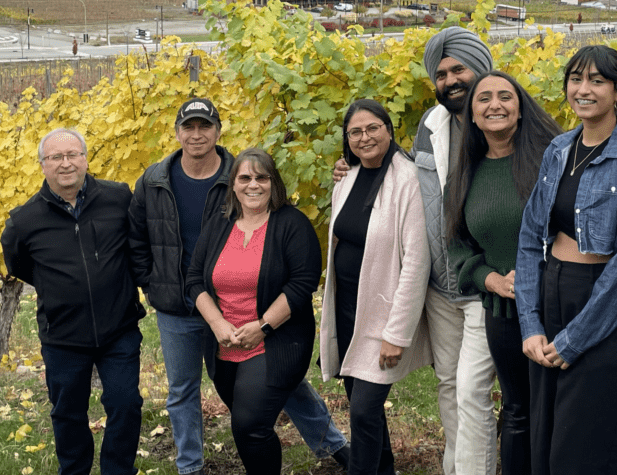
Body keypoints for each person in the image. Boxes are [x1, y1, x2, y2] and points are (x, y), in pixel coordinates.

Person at [129, 98, 349, 475]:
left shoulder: (239, 174)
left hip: (250, 308)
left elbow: (291, 257)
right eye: (189, 127)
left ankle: (333, 445)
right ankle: (190, 467)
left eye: (204, 126)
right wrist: (154, 284)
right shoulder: (154, 179)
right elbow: (136, 238)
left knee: (282, 388)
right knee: (183, 391)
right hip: (182, 305)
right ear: (178, 132)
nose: (196, 134)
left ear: (218, 130)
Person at [335, 27, 498, 475]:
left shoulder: (504, 121)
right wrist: (356, 166)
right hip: (443, 287)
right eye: (441, 73)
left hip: (488, 283)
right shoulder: (431, 125)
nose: (449, 80)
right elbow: (413, 176)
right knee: (449, 387)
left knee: (471, 390)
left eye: (458, 69)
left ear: (480, 67)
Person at [516, 45, 617, 475]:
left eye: (597, 81)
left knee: (583, 447)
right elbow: (529, 238)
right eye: (576, 79)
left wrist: (576, 338)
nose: (584, 90)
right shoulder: (559, 150)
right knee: (545, 438)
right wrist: (531, 323)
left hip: (601, 307)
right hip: (551, 292)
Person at [2, 127, 144, 475]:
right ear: (43, 165)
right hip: (63, 335)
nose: (65, 164)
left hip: (119, 329)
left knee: (126, 405)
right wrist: (61, 289)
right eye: (55, 157)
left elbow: (135, 246)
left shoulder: (118, 198)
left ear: (84, 158)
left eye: (72, 155)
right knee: (68, 414)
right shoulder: (24, 220)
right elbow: (19, 264)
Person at [446, 72, 561, 475]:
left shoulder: (552, 158)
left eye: (505, 96)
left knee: (557, 410)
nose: (495, 105)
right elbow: (459, 248)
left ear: (520, 106)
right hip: (503, 311)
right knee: (517, 411)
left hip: (558, 304)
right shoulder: (464, 175)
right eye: (484, 99)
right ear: (472, 115)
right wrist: (491, 279)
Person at [185, 147, 321, 475]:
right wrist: (217, 324)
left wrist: (262, 325)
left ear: (274, 183)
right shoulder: (220, 223)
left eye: (262, 177)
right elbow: (193, 281)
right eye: (245, 177)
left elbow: (302, 284)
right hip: (224, 345)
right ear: (233, 185)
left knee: (248, 425)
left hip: (275, 342)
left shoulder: (292, 224)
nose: (253, 184)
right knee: (251, 426)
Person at [321, 99, 432, 475]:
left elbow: (417, 262)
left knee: (364, 410)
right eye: (355, 131)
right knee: (363, 408)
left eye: (373, 128)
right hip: (348, 309)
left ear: (389, 129)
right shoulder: (347, 177)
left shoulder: (408, 180)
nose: (364, 137)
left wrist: (397, 334)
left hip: (383, 315)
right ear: (347, 139)